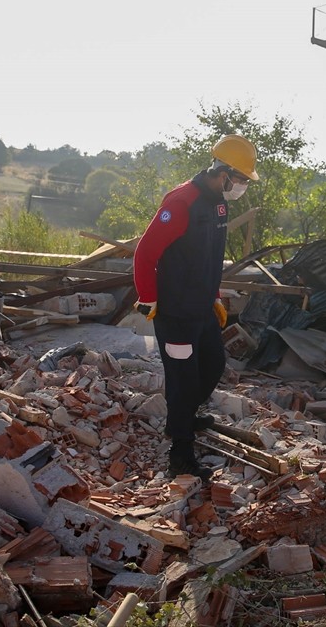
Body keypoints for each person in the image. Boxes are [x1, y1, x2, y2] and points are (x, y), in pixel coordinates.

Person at [132, 134, 259, 481]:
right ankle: (181, 454)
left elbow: (210, 257)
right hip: (174, 311)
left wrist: (215, 296)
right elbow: (145, 252)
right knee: (183, 380)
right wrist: (148, 297)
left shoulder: (219, 202)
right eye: (242, 180)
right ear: (224, 173)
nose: (243, 186)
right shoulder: (182, 201)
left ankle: (183, 417)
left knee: (214, 364)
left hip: (201, 307)